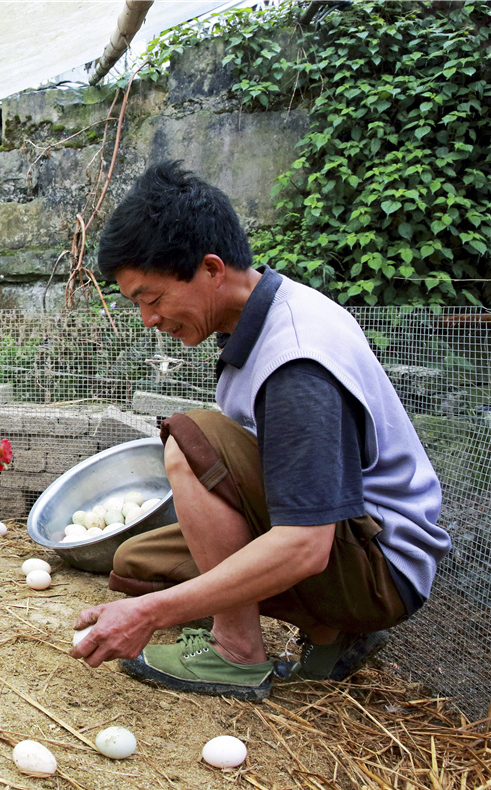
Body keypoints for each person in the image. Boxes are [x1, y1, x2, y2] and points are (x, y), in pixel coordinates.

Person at [68, 160, 450, 700]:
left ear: (211, 269)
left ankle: (237, 653)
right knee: (139, 565)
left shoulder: (295, 362)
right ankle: (327, 632)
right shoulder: (262, 313)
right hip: (348, 539)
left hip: (379, 566)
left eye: (152, 300)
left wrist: (149, 615)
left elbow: (304, 548)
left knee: (191, 438)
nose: (149, 320)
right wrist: (149, 600)